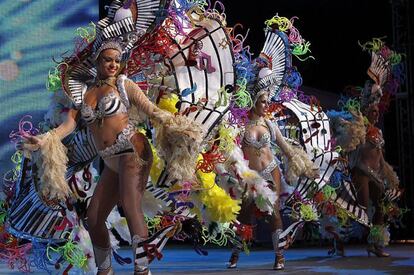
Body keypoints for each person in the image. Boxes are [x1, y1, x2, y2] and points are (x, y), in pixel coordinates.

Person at [20, 39, 202, 275]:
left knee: (130, 204)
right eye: (108, 59)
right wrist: (43, 139)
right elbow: (67, 126)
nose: (114, 64)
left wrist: (177, 124)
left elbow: (152, 110)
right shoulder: (84, 94)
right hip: (110, 160)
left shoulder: (124, 85)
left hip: (132, 150)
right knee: (94, 217)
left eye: (117, 60)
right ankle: (104, 270)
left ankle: (142, 270)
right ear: (97, 61)